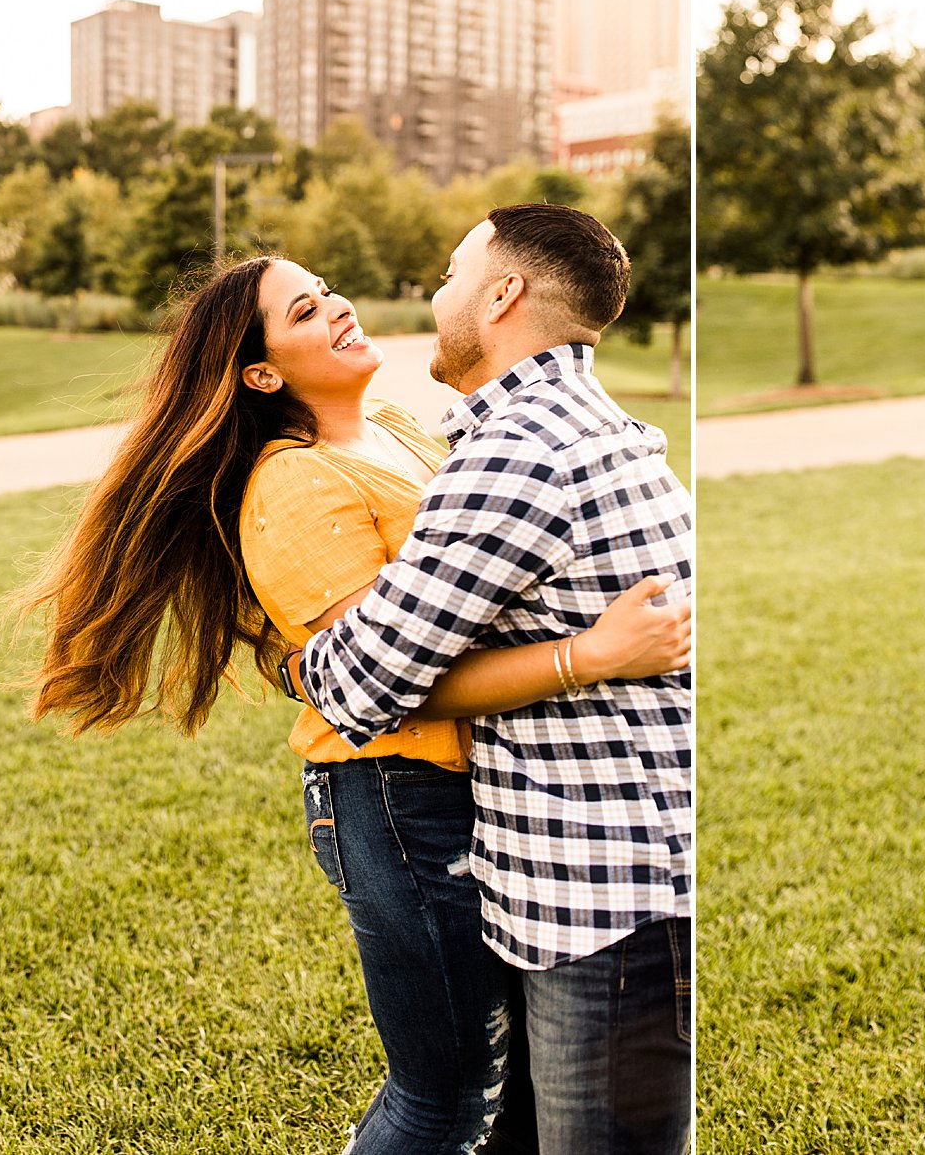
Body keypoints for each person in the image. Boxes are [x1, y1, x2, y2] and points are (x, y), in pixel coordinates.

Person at [20, 251, 689, 1155]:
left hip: (483, 791)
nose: (336, 307)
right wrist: (588, 655)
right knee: (444, 1097)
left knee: (513, 1097)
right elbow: (380, 685)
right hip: (394, 798)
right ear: (261, 373)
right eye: (303, 312)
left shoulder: (406, 432)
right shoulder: (294, 483)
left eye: (328, 289)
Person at [296, 204, 694, 1155]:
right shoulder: (583, 424)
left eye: (448, 273)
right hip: (606, 887)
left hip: (605, 901)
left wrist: (284, 649)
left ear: (503, 293)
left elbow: (355, 682)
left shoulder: (524, 452)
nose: (435, 297)